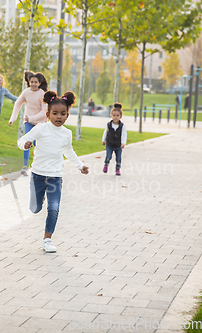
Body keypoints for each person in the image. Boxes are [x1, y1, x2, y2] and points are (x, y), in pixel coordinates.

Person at [17, 90, 89, 253]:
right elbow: (21, 140)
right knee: (35, 209)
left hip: (55, 177)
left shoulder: (67, 134)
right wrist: (26, 144)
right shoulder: (40, 129)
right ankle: (38, 199)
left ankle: (47, 239)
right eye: (55, 113)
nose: (59, 117)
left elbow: (68, 151)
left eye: (63, 113)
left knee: (54, 207)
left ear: (67, 115)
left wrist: (80, 166)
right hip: (38, 175)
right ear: (48, 114)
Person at [9, 71, 48, 175]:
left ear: (39, 83)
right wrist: (13, 118)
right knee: (27, 141)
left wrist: (31, 118)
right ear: (29, 82)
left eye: (36, 82)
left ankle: (42, 165)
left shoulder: (42, 94)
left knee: (38, 144)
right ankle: (25, 166)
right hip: (28, 123)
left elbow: (44, 112)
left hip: (40, 123)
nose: (33, 84)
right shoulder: (26, 92)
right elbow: (18, 103)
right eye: (32, 82)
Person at [102, 102, 127, 176]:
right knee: (108, 156)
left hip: (118, 145)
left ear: (120, 116)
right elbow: (105, 132)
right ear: (111, 115)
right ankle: (106, 164)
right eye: (114, 115)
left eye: (117, 115)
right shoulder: (109, 125)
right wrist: (103, 140)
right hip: (109, 144)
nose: (115, 117)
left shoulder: (122, 126)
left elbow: (124, 135)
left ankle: (117, 169)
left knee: (118, 158)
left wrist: (123, 143)